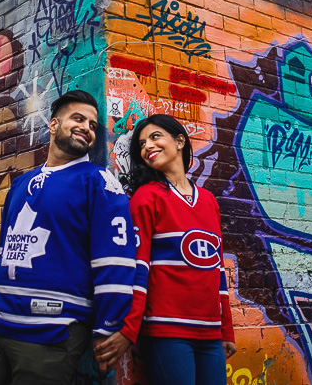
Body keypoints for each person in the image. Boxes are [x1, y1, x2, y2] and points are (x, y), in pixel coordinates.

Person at [0, 90, 136, 384]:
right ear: (54, 125)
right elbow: (3, 249)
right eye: (78, 118)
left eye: (93, 125)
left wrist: (109, 326)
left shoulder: (98, 182)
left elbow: (116, 259)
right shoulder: (22, 183)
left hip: (53, 330)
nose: (86, 127)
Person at [94, 114, 236, 384]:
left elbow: (217, 269)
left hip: (210, 334)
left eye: (155, 137)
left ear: (180, 141)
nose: (147, 146)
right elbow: (138, 269)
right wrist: (130, 329)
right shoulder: (146, 197)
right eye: (142, 144)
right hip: (167, 332)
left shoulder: (208, 201)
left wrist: (226, 329)